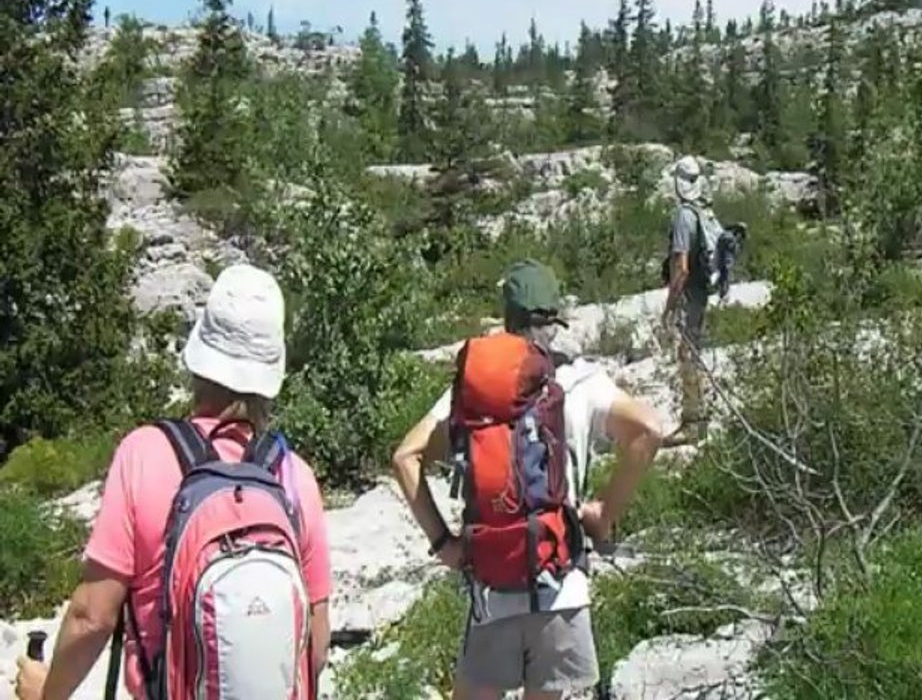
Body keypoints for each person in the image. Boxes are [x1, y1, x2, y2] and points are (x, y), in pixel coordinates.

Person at [14, 264, 332, 700]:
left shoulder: (144, 453)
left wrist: (46, 695)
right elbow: (312, 649)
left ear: (198, 358)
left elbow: (93, 616)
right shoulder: (295, 478)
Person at [392, 259, 664, 700]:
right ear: (554, 321)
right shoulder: (581, 382)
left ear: (507, 317)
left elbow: (406, 457)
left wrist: (444, 544)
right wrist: (603, 514)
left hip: (493, 588)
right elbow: (649, 430)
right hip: (562, 588)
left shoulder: (474, 391)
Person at [660, 155, 720, 447]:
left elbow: (681, 267)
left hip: (689, 296)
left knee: (687, 357)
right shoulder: (702, 211)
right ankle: (700, 418)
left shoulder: (683, 216)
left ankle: (693, 422)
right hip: (701, 294)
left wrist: (669, 306)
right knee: (693, 352)